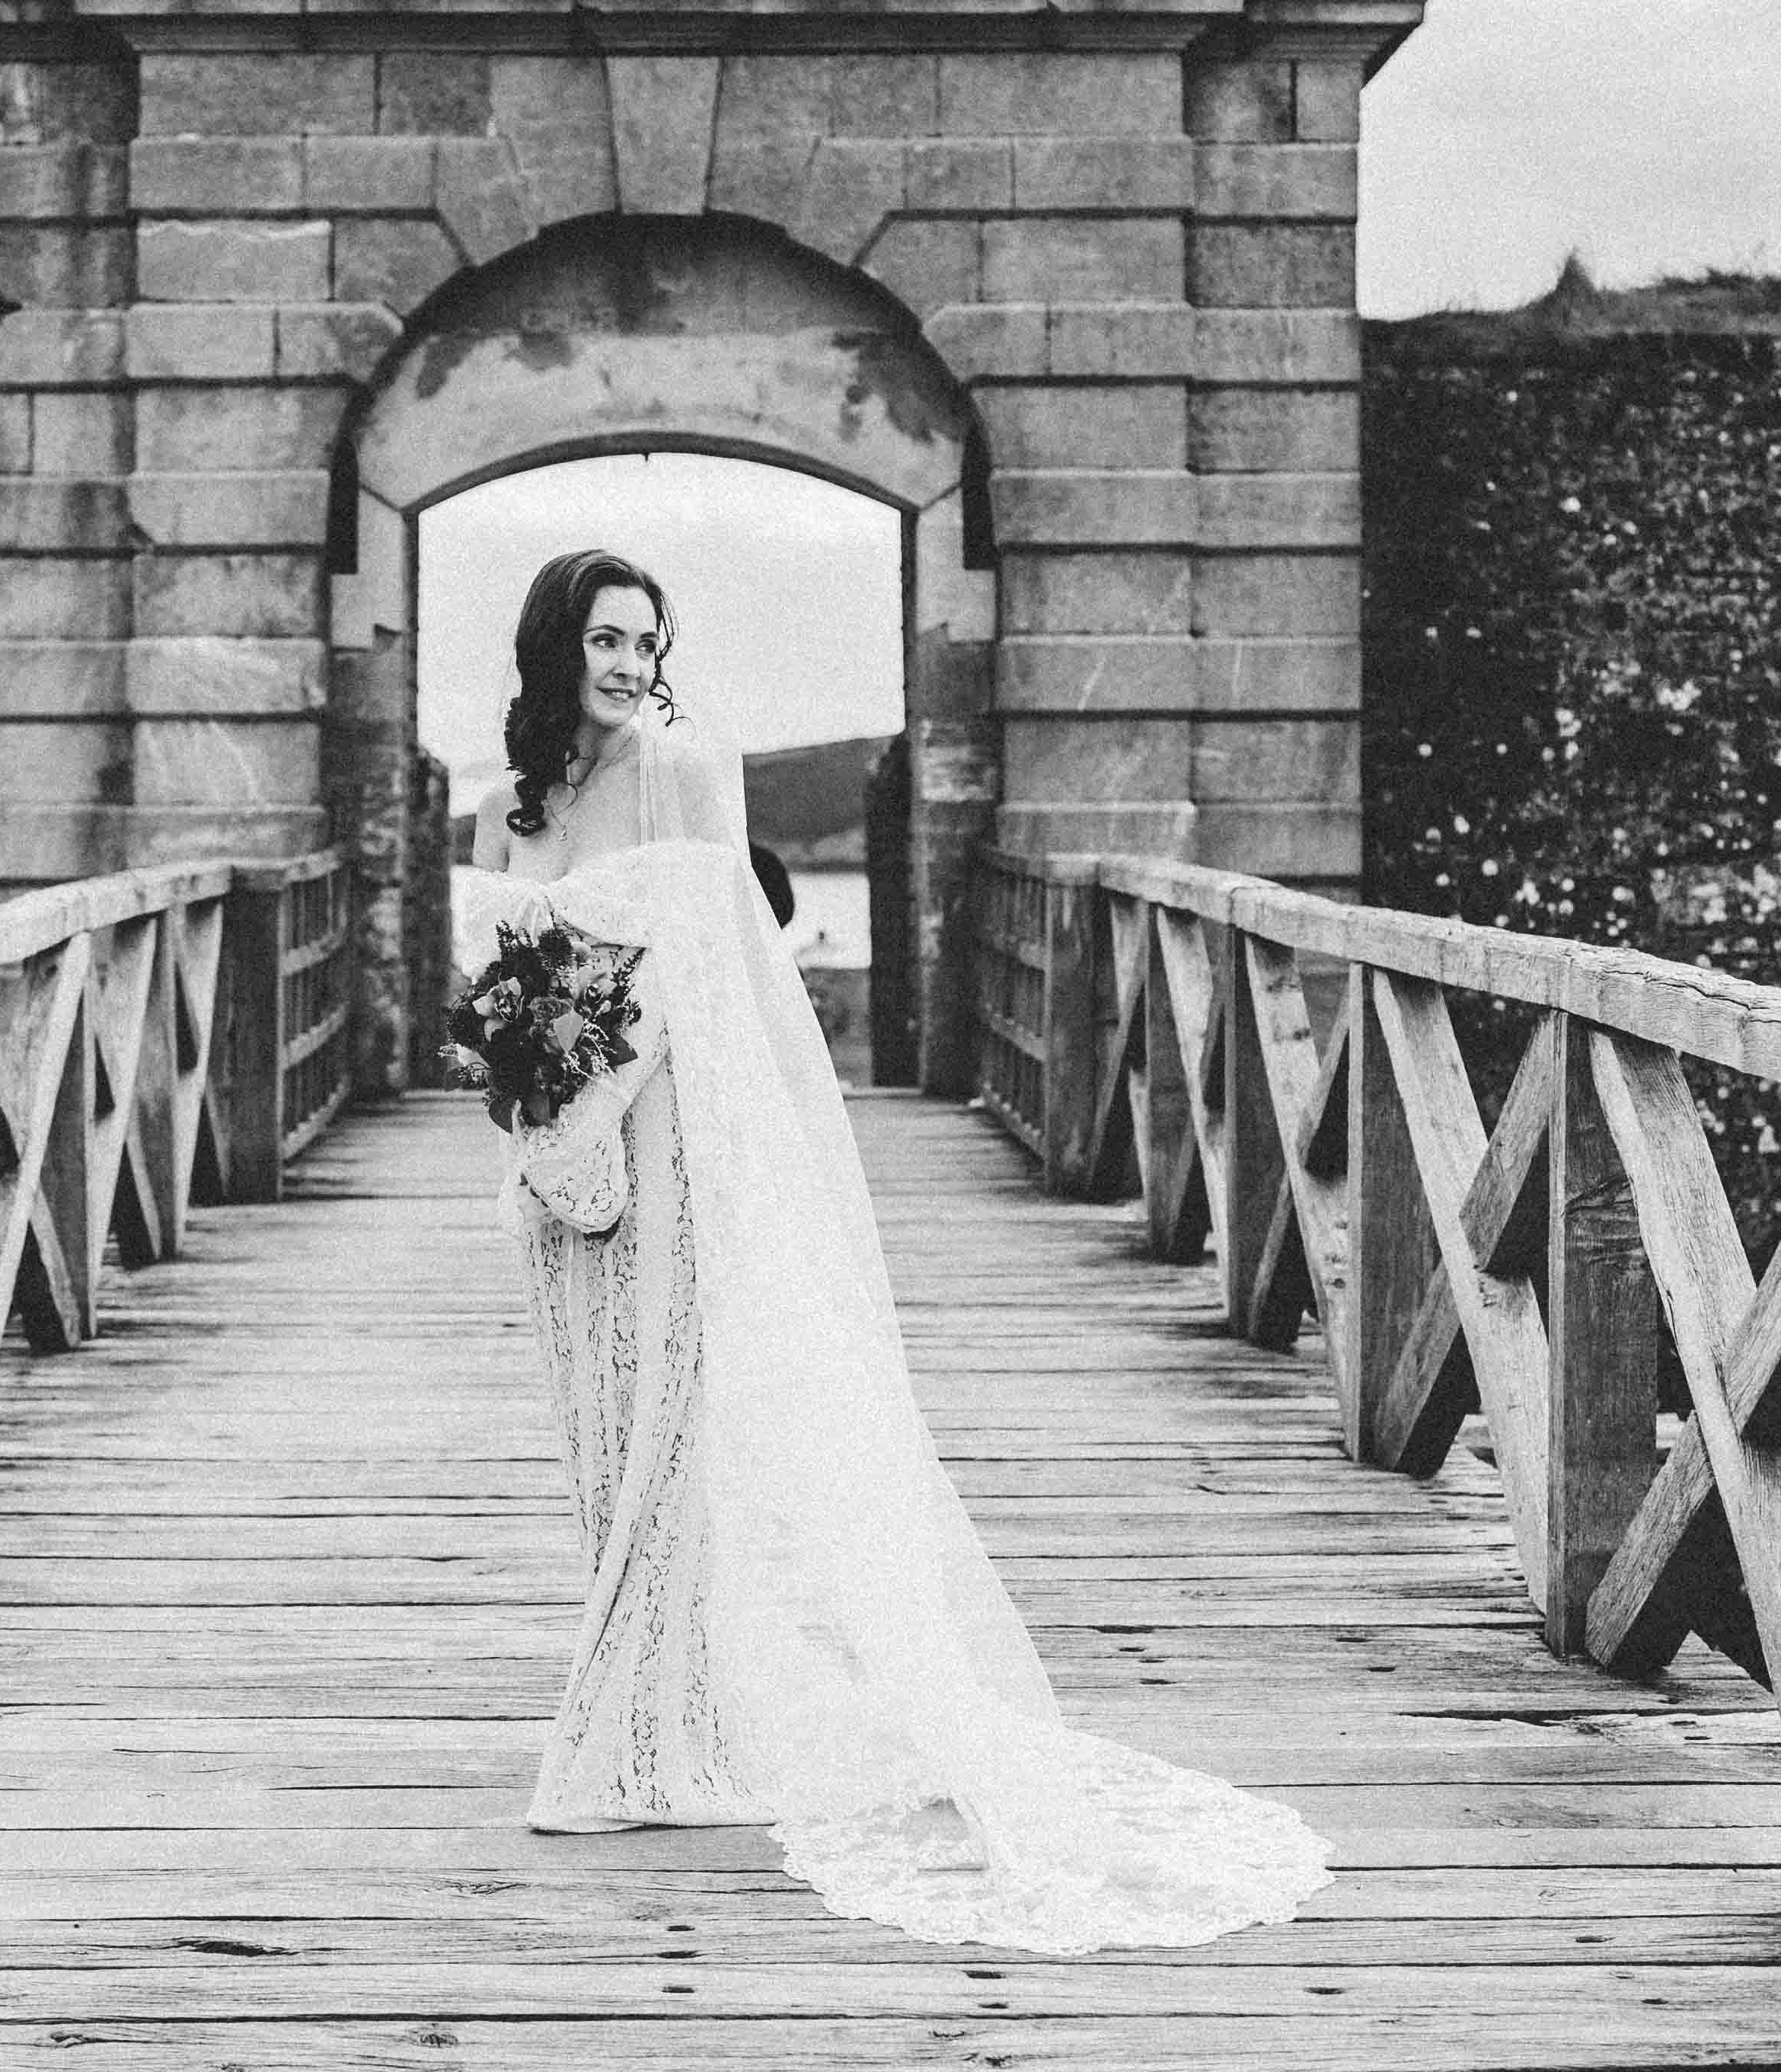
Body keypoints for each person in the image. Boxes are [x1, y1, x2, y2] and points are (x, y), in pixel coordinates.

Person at [452, 547, 1334, 1954]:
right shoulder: (508, 806)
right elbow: (502, 985)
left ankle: (618, 1740)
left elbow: (723, 974)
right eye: (605, 639)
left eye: (645, 641)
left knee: (670, 1435)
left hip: (671, 1138)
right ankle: (671, 1702)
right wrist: (541, 1128)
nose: (626, 664)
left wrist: (719, 1142)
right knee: (599, 1442)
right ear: (553, 644)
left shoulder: (688, 770)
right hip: (554, 1164)